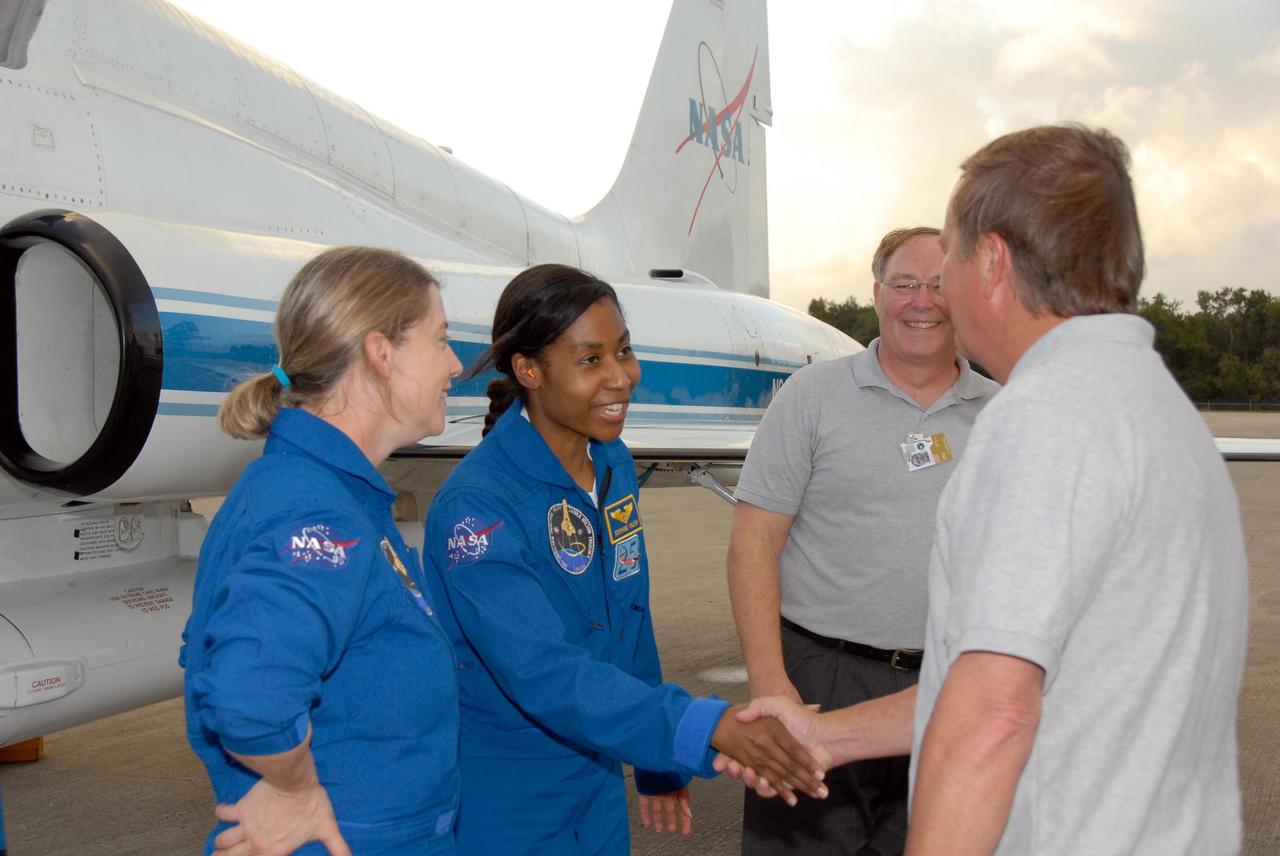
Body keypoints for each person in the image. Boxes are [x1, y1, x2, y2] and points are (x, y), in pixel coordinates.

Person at [724, 124, 1249, 855]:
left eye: (953, 259)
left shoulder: (1039, 417)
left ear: (992, 260)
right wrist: (827, 733)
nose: (934, 294)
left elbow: (992, 716)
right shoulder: (1151, 404)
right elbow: (1024, 677)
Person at [421, 263, 826, 855]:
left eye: (625, 351)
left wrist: (658, 764)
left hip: (599, 785)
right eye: (591, 360)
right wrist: (700, 729)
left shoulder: (612, 465)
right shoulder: (475, 510)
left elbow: (630, 620)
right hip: (510, 802)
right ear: (529, 370)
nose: (622, 377)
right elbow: (544, 671)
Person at [181, 246, 464, 856]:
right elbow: (248, 695)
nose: (456, 364)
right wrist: (295, 789)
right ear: (381, 352)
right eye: (440, 340)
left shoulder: (326, 491)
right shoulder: (315, 509)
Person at [729, 227, 999, 855]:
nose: (922, 301)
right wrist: (772, 685)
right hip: (821, 678)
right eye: (905, 284)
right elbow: (753, 546)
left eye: (939, 284)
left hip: (947, 687)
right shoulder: (811, 398)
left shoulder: (1002, 412)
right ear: (877, 294)